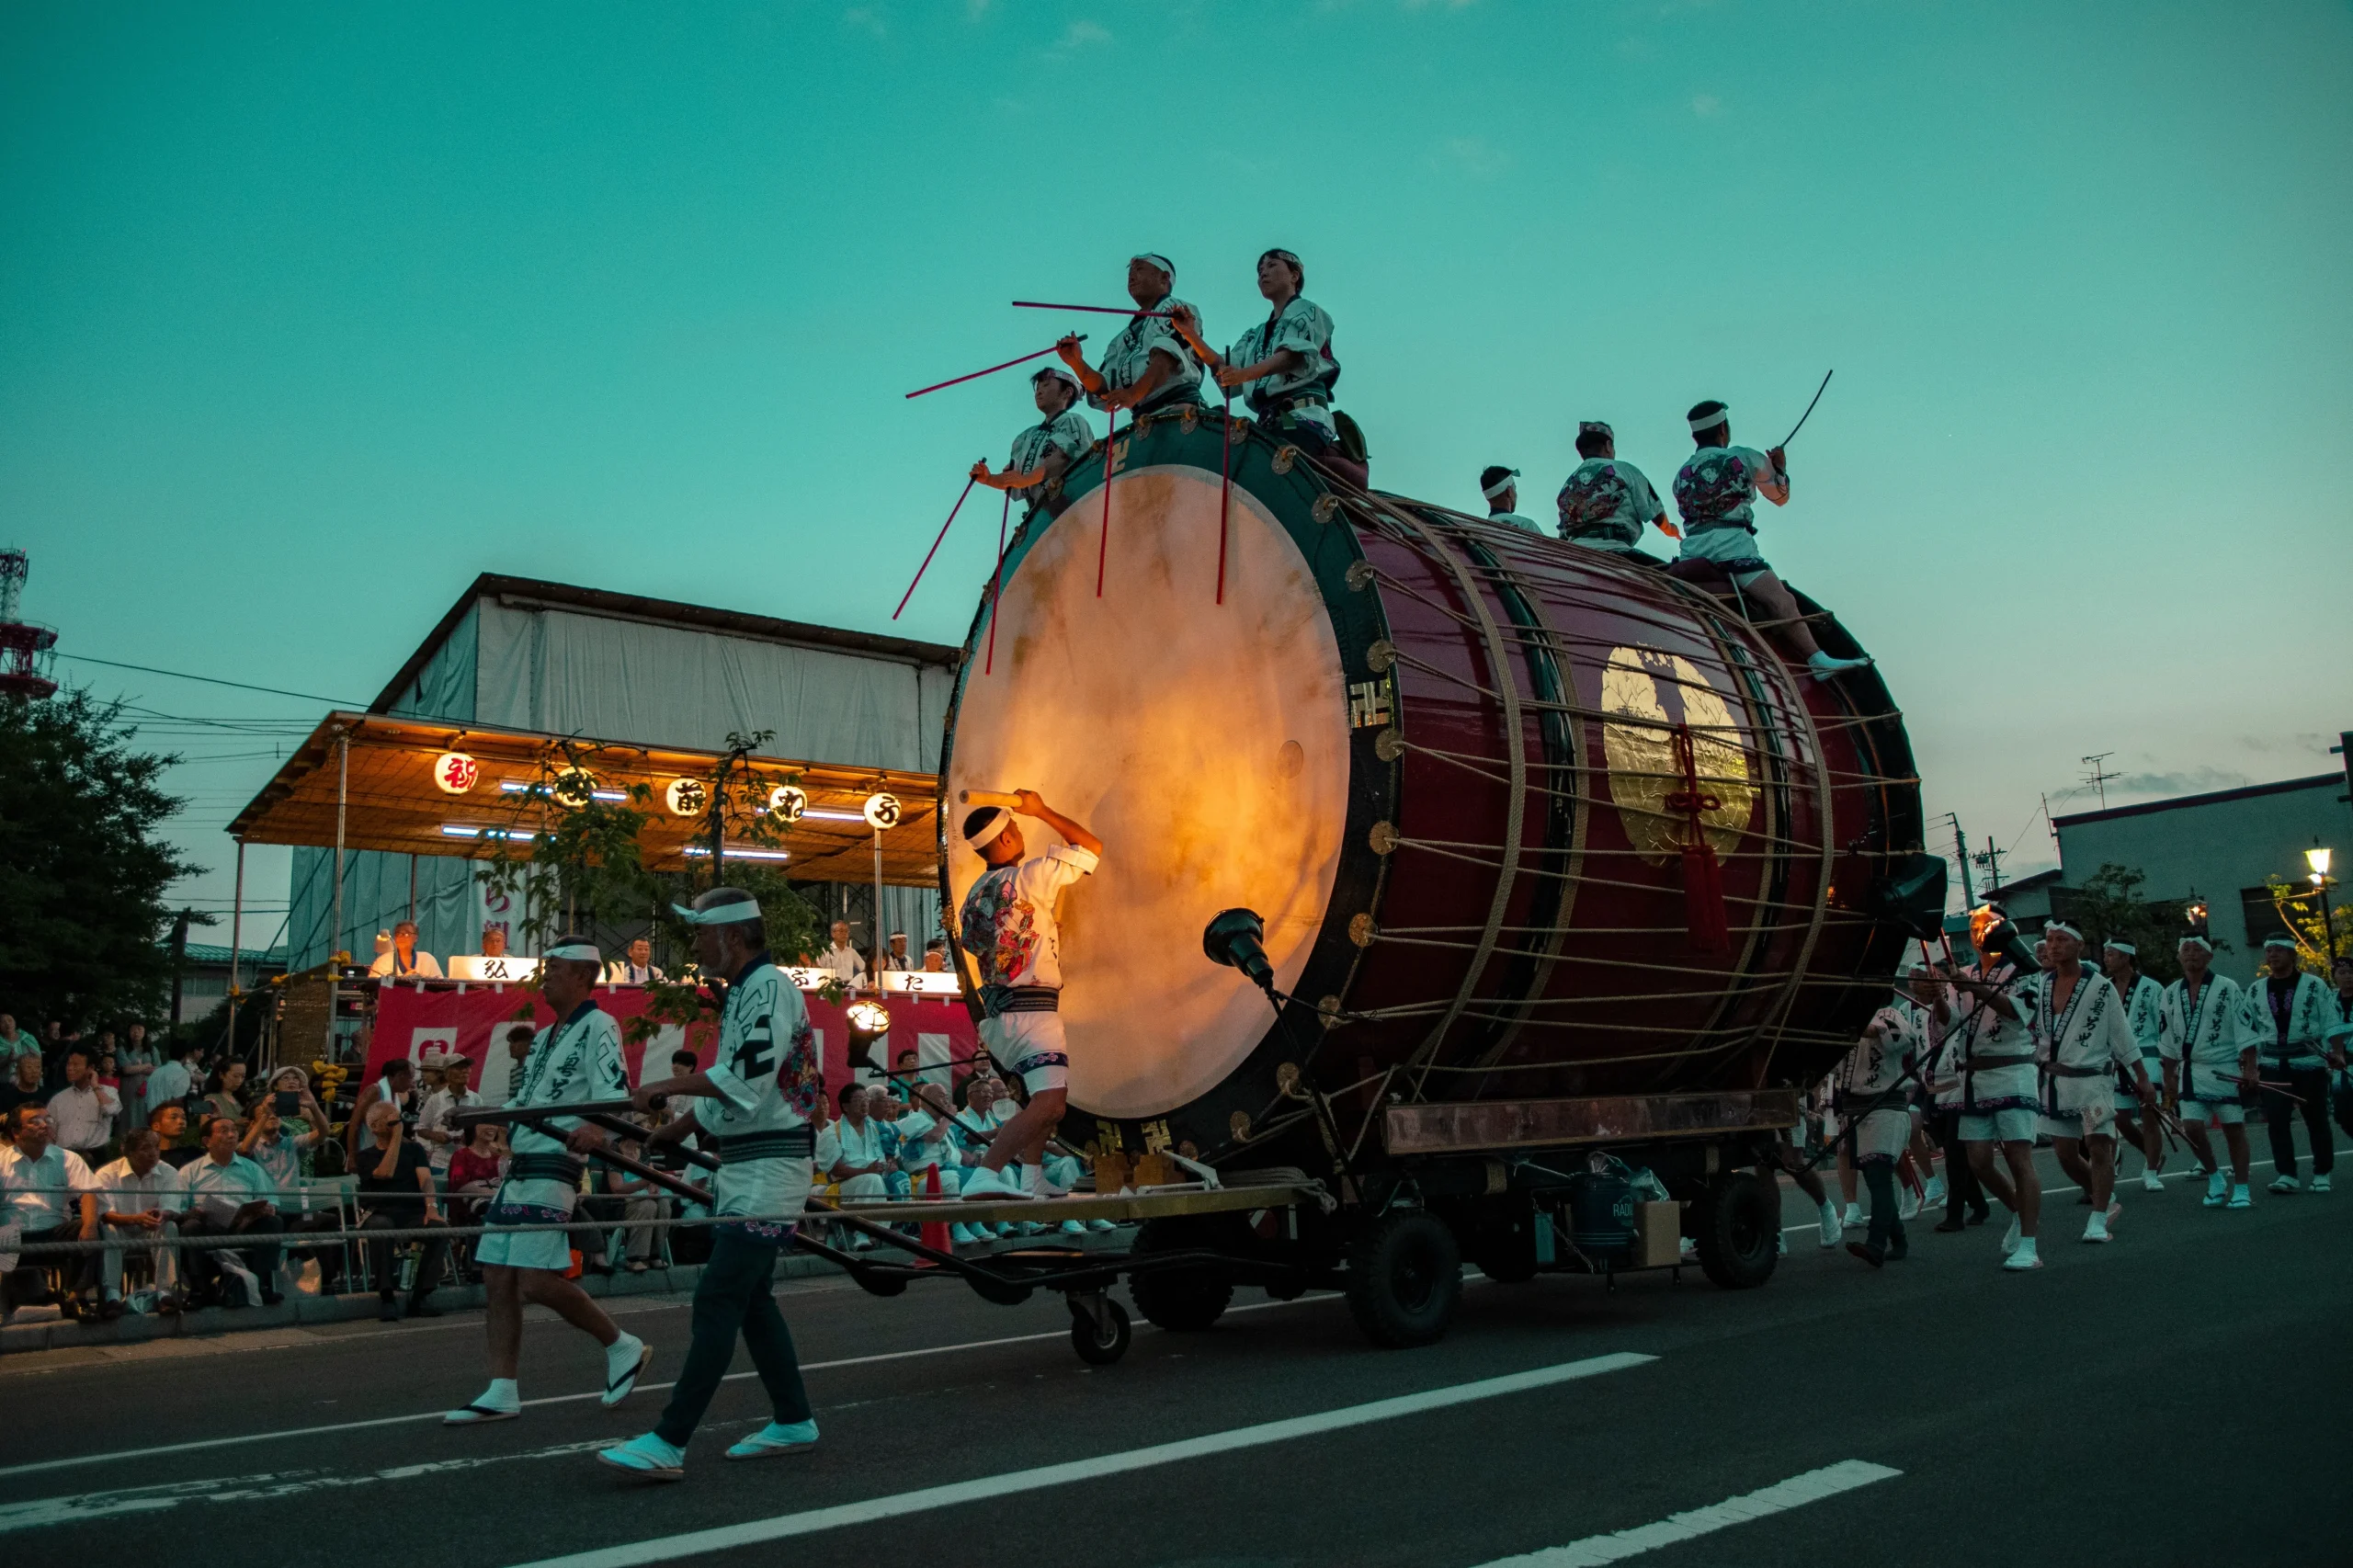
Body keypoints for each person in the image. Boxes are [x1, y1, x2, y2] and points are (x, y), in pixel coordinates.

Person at [603, 888, 826, 1479]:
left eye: (701, 934)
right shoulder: (743, 995)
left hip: (772, 1165)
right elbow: (735, 1095)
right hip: (751, 1163)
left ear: (730, 935)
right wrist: (677, 1128)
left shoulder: (769, 986)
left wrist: (666, 1090)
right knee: (752, 1300)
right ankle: (793, 1418)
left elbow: (746, 1078)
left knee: (719, 1296)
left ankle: (670, 1439)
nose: (696, 945)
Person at [446, 936, 648, 1426]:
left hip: (555, 1166)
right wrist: (477, 1114)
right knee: (497, 1276)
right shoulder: (544, 1036)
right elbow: (525, 1105)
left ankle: (622, 1345)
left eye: (553, 968)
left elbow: (614, 1091)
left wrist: (595, 1127)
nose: (546, 978)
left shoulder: (600, 1024)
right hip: (521, 1166)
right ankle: (502, 1388)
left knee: (535, 1281)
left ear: (582, 975)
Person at [953, 790, 1102, 1201]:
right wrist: (1042, 810)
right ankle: (987, 1172)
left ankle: (1032, 1176)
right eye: (1017, 828)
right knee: (1051, 1105)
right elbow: (1091, 849)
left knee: (1046, 1098)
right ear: (1003, 840)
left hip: (1002, 1016)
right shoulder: (1027, 877)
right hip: (1031, 1013)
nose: (1021, 832)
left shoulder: (974, 896)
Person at [1670, 401, 1870, 679]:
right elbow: (1779, 497)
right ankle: (1816, 659)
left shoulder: (1681, 474)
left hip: (1692, 550)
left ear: (1695, 436)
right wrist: (1780, 468)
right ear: (1723, 429)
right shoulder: (1744, 458)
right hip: (1733, 548)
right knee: (1782, 602)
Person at [1168, 249, 1366, 486]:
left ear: (1294, 276)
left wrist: (1242, 375)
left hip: (1301, 418)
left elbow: (1292, 357)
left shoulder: (1307, 310)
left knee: (1271, 474)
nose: (1263, 273)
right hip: (1269, 423)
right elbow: (1226, 369)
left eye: (1272, 266)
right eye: (1260, 270)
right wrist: (1190, 334)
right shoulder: (1255, 335)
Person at [1933, 904, 2045, 1270]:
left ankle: (2029, 1243)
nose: (1980, 927)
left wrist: (1974, 988)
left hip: (2012, 1071)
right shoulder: (1963, 974)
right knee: (1978, 1161)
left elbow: (2016, 1013)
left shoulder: (2025, 970)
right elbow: (1951, 1025)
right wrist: (1939, 995)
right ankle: (2019, 1211)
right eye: (1974, 923)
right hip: (1973, 1078)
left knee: (2018, 1158)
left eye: (1986, 921)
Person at [2033, 921, 2153, 1244]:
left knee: (2100, 1147)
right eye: (2050, 940)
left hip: (2093, 1082)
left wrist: (2142, 1076)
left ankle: (2098, 1216)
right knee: (2064, 1154)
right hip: (2056, 1080)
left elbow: (2121, 1033)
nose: (2054, 946)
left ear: (2079, 945)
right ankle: (2105, 1197)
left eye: (2062, 940)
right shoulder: (2043, 984)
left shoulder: (2100, 986)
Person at [2162, 934, 2255, 1210]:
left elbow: (2245, 1028)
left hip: (2224, 1065)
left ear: (2209, 957)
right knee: (2191, 1128)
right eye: (2185, 949)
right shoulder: (2169, 993)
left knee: (2233, 1129)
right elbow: (2166, 1038)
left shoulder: (2227, 987)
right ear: (2179, 957)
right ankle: (2214, 1176)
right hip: (2190, 1069)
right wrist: (2168, 1076)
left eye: (2197, 949)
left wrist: (2251, 1067)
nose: (2191, 954)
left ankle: (2242, 1187)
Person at [1836, 975, 1923, 1267]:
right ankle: (1899, 1241)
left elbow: (1898, 1041)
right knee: (1877, 1179)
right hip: (1859, 1109)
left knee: (1878, 1175)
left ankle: (1876, 1244)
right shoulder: (1849, 1025)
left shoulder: (1890, 1014)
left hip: (1886, 1105)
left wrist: (1856, 1026)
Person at [2240, 934, 2336, 1194]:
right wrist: (2250, 1066)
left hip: (2309, 1060)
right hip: (2271, 1061)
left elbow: (2331, 1020)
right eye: (2269, 951)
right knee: (2277, 1120)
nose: (2273, 955)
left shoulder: (2315, 986)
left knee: (2316, 1118)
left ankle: (2322, 1172)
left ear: (2293, 955)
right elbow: (2248, 1030)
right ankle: (2286, 1174)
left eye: (2279, 950)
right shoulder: (2256, 989)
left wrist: (2335, 1051)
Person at [1056, 253, 1206, 422]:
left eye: (1140, 269)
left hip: (1179, 408)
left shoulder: (1175, 309)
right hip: (1144, 419)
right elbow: (1107, 389)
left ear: (1164, 278)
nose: (1132, 276)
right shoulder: (1120, 340)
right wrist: (1077, 362)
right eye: (1130, 273)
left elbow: (1165, 359)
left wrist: (1133, 394)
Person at [0, 1102, 100, 1317]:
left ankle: (77, 1299)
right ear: (16, 1133)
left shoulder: (68, 1158)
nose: (44, 1125)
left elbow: (88, 1193)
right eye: (35, 1121)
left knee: (89, 1226)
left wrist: (90, 1225)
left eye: (48, 1120)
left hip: (53, 1234)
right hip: (11, 1236)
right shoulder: (2, 1161)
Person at [353, 1099, 449, 1322]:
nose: (397, 1123)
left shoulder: (414, 1149)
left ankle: (421, 1296)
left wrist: (432, 1208)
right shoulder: (365, 1156)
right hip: (380, 1212)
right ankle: (387, 1296)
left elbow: (426, 1180)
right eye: (390, 1119)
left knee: (439, 1230)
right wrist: (396, 1137)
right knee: (381, 1227)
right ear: (375, 1127)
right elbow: (384, 1173)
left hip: (412, 1212)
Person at [180, 1113, 285, 1307]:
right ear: (206, 1141)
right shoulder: (190, 1171)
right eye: (224, 1131)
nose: (231, 1135)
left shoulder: (251, 1168)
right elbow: (179, 1207)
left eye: (234, 1131)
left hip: (243, 1226)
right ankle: (199, 1291)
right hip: (208, 1226)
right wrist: (194, 1212)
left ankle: (263, 1285)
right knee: (190, 1227)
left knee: (273, 1222)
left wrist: (267, 1209)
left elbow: (270, 1199)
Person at [971, 366, 1097, 524]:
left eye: (1046, 385)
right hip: (1040, 514)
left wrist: (1027, 479)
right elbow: (1014, 478)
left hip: (1071, 502)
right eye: (1037, 388)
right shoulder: (1026, 437)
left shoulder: (1072, 421)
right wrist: (989, 479)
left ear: (1067, 392)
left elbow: (1062, 458)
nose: (1039, 391)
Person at [2099, 939, 2171, 1191]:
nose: (2106, 959)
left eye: (2111, 954)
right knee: (2120, 1119)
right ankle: (2153, 1154)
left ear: (2127, 957)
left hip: (2147, 1053)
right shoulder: (2104, 988)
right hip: (2117, 1060)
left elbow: (2163, 1025)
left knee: (2150, 1116)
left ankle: (2151, 1170)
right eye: (2105, 954)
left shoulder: (2152, 988)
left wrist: (2166, 1061)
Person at [93, 1128, 185, 1315]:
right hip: (120, 1228)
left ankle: (165, 1294)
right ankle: (111, 1296)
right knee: (108, 1228)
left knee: (170, 1226)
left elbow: (172, 1207)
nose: (153, 1153)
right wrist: (136, 1218)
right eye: (145, 1148)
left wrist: (161, 1215)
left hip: (152, 1227)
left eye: (156, 1147)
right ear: (128, 1151)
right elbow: (105, 1213)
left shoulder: (168, 1172)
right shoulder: (107, 1173)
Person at [1557, 421, 1672, 556]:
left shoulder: (1567, 486)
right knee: (1669, 575)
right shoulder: (1624, 470)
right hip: (1615, 548)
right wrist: (1669, 529)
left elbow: (1563, 535)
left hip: (1574, 552)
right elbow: (1656, 513)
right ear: (1608, 445)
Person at [47, 1048, 119, 1169]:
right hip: (64, 1157)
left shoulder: (109, 1092)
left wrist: (95, 1086)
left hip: (96, 1157)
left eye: (76, 1064)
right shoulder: (58, 1098)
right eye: (68, 1064)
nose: (70, 1068)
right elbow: (49, 1132)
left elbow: (111, 1110)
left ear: (90, 1068)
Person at [416, 1051, 480, 1182]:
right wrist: (436, 1135)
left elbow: (482, 1126)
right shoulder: (435, 1099)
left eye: (467, 1067)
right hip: (441, 1162)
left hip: (467, 1162)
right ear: (447, 1073)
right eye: (459, 1068)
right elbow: (421, 1128)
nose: (465, 1071)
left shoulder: (476, 1099)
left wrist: (470, 1135)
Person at [345, 1058, 417, 1165]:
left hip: (384, 1157)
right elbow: (354, 1124)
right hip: (365, 1154)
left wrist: (414, 1148)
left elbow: (392, 1131)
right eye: (411, 1078)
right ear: (400, 1075)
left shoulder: (396, 1096)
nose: (412, 1083)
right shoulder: (374, 1091)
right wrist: (352, 1156)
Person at [114, 1021, 159, 1140]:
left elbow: (157, 1069)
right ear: (128, 1033)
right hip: (129, 1090)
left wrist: (137, 1068)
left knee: (146, 1115)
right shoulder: (122, 1049)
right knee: (129, 1115)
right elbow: (127, 1069)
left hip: (147, 1089)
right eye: (133, 1029)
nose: (136, 1032)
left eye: (139, 1029)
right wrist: (146, 1066)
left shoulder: (152, 1049)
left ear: (145, 1032)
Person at [368, 919, 444, 979]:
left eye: (407, 934)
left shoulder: (428, 959)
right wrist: (403, 979)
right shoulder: (383, 961)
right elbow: (375, 986)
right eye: (399, 934)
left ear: (416, 938)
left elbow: (440, 984)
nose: (402, 937)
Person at [1474, 468, 1543, 532]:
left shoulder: (1478, 529)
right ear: (1509, 491)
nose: (1516, 494)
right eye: (1514, 489)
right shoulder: (1526, 525)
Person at [145, 1039, 195, 1119]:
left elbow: (147, 1100)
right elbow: (177, 1101)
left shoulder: (156, 1072)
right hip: (169, 1120)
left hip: (152, 1119)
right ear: (186, 1055)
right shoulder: (183, 1073)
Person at [199, 1059, 250, 1124]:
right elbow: (204, 1126)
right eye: (236, 1076)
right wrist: (235, 1122)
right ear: (221, 1075)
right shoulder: (209, 1099)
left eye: (243, 1077)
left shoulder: (242, 1098)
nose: (240, 1081)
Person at [813, 920, 866, 984]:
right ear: (833, 934)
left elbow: (864, 968)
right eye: (841, 931)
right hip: (831, 986)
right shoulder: (825, 951)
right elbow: (819, 971)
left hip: (849, 986)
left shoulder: (852, 952)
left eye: (846, 931)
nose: (844, 933)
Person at [0, 1051, 45, 1117]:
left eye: (38, 1067)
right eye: (29, 1067)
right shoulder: (4, 1097)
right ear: (18, 1070)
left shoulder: (49, 1097)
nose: (34, 1071)